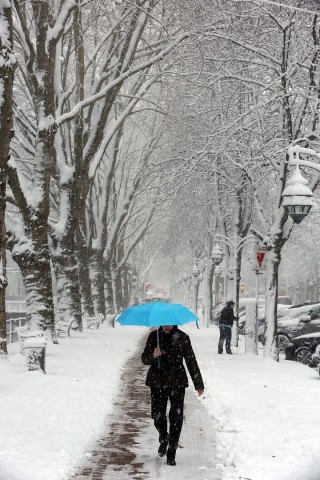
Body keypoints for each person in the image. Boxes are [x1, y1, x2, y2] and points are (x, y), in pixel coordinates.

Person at [141, 325, 204, 466]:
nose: (167, 326)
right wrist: (153, 355)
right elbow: (144, 359)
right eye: (164, 323)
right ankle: (163, 437)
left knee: (176, 417)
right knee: (157, 415)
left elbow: (190, 360)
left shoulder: (183, 337)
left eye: (170, 323)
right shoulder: (154, 336)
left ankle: (172, 450)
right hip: (157, 382)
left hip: (177, 382)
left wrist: (198, 384)